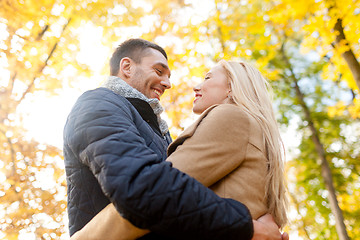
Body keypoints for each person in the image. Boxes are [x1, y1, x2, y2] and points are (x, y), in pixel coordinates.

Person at [68, 54, 289, 239]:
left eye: (208, 77)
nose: (196, 86)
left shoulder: (230, 116)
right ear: (126, 67)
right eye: (158, 71)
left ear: (232, 87)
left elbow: (155, 194)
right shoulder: (254, 130)